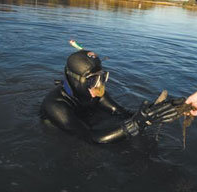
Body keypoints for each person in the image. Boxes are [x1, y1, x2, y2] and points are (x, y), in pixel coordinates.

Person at [40, 49, 183, 143]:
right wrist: (135, 124)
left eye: (102, 78)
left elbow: (121, 113)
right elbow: (92, 138)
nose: (98, 85)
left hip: (87, 123)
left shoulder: (95, 93)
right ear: (74, 79)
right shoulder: (55, 105)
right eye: (92, 80)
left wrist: (150, 113)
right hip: (61, 136)